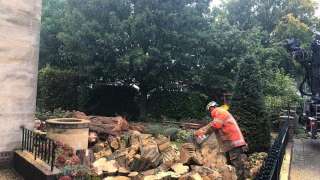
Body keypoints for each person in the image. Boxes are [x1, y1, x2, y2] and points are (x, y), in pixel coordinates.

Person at [194, 101, 248, 180]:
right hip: (232, 141)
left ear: (212, 108)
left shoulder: (218, 111)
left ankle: (240, 178)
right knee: (230, 162)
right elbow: (212, 125)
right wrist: (203, 131)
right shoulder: (221, 112)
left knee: (236, 162)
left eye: (209, 110)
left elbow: (215, 125)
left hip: (233, 141)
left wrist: (202, 133)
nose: (210, 112)